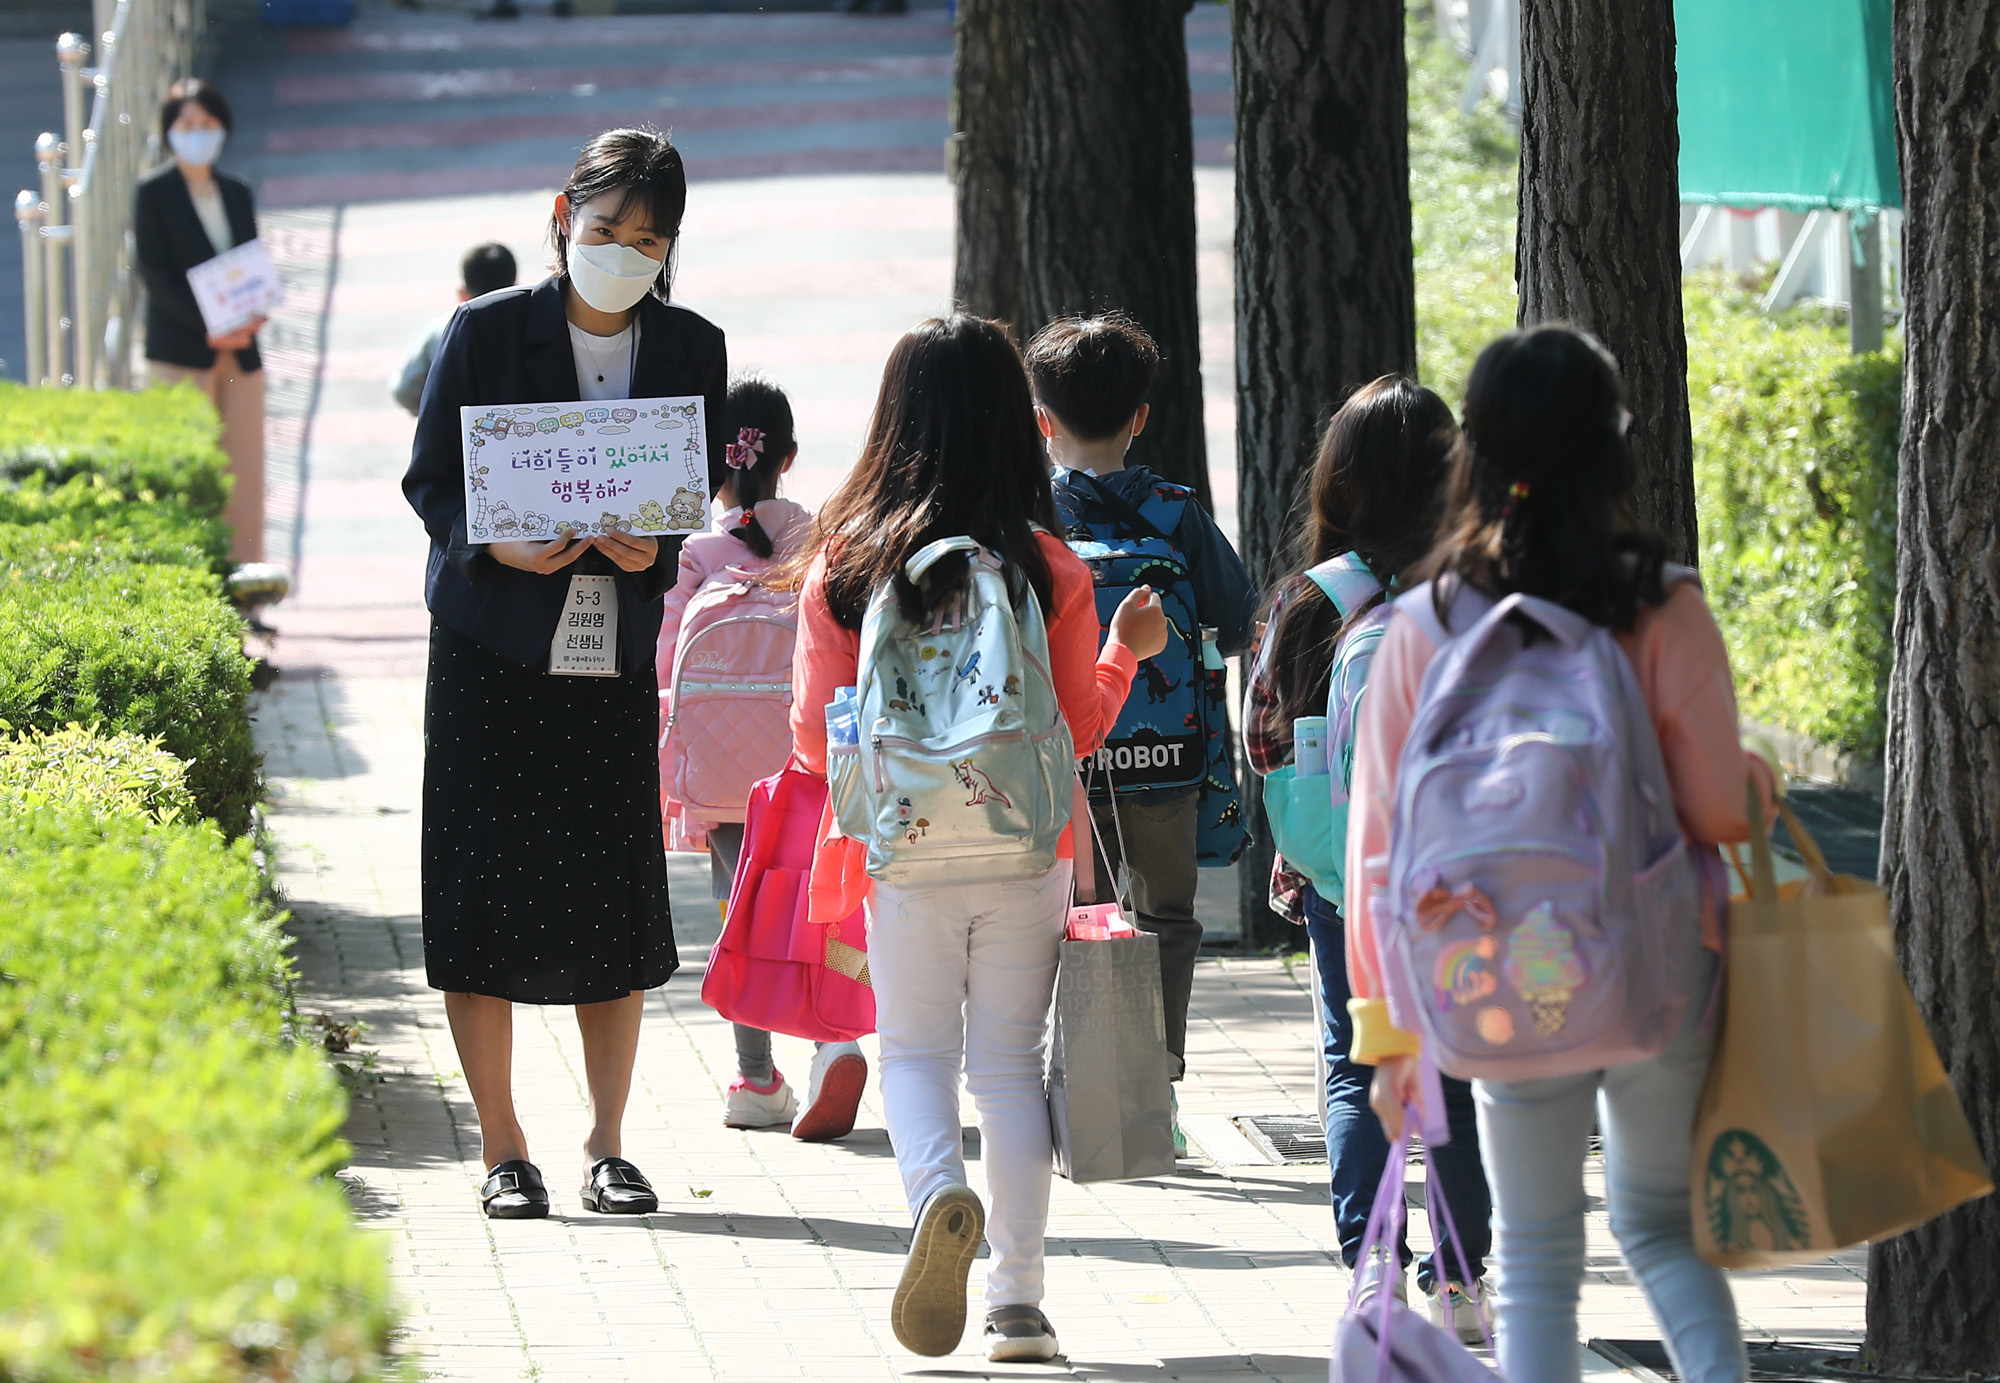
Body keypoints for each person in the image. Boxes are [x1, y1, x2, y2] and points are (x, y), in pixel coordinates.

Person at [1349, 327, 1774, 1382]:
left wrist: (1387, 1032)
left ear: (1474, 455)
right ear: (1611, 448)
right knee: (1659, 1231)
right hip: (1656, 969)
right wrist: (1758, 784)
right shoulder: (1662, 604)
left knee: (1535, 1262)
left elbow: (1376, 854)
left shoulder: (1422, 623)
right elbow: (1718, 809)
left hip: (1484, 975)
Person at [788, 315, 1167, 1363]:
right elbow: (1078, 729)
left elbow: (816, 747)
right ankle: (1017, 1306)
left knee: (913, 1049)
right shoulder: (1046, 565)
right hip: (1024, 848)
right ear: (1015, 420)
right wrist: (1127, 659)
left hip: (899, 850)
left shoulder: (843, 567)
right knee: (1006, 1065)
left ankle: (933, 1197)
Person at [402, 128, 726, 1222]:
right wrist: (491, 542)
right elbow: (431, 481)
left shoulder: (691, 346)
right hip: (491, 645)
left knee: (608, 890)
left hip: (608, 643)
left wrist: (654, 553)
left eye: (647, 240)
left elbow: (680, 503)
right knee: (478, 888)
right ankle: (502, 1145)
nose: (622, 254)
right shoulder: (486, 331)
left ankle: (607, 1142)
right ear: (562, 217)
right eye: (604, 231)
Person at [1240, 376, 1493, 1339]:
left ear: (1337, 482)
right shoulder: (1478, 595)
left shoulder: (1309, 602)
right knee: (1460, 1070)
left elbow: (1264, 739)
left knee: (1359, 1065)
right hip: (1459, 879)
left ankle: (1373, 1269)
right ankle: (1466, 1282)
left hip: (1345, 876)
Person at [1026, 314, 1256, 1141]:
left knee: (1064, 917)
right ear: (1143, 417)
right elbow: (1233, 619)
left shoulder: (1029, 516)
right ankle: (1156, 1081)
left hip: (1061, 763)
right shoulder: (1174, 512)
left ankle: (1069, 1082)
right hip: (1168, 759)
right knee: (1163, 918)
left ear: (1041, 421)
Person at [654, 375, 870, 1140]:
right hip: (808, 760)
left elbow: (663, 657)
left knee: (741, 910)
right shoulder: (824, 540)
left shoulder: (695, 551)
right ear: (791, 457)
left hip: (719, 777)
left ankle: (754, 1078)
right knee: (823, 902)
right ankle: (832, 1042)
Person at [134, 79, 267, 565]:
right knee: (186, 467)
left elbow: (251, 264)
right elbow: (154, 273)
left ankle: (245, 586)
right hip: (181, 351)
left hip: (240, 350)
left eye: (207, 124)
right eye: (186, 125)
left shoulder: (236, 192)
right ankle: (194, 574)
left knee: (244, 467)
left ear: (223, 130)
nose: (197, 134)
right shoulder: (153, 193)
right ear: (169, 131)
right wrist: (207, 327)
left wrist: (253, 314)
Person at [392, 242, 518, 416]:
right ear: (515, 286)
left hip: (454, 432)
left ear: (462, 293)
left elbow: (404, 390)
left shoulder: (440, 330)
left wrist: (435, 410)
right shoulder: (533, 325)